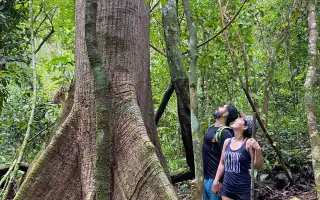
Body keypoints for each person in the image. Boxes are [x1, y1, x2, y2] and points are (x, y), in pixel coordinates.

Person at [212, 113, 264, 200]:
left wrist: (258, 149)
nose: (237, 119)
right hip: (227, 187)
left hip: (243, 188)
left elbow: (258, 166)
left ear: (245, 127)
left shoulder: (248, 143)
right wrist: (216, 181)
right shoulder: (227, 142)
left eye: (241, 120)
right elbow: (222, 164)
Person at [202, 104, 239, 200]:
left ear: (225, 113)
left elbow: (229, 161)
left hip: (216, 181)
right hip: (206, 178)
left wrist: (219, 181)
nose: (219, 107)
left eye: (222, 107)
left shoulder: (225, 133)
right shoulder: (211, 128)